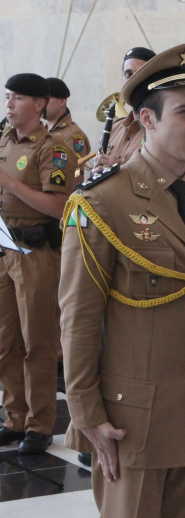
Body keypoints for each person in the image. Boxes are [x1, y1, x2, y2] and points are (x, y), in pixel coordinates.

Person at [59, 42, 185, 518]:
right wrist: (86, 412)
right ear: (147, 119)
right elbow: (78, 316)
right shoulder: (102, 201)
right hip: (132, 417)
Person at [0, 73, 76, 455]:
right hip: (4, 249)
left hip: (35, 253)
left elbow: (59, 206)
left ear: (40, 104)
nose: (9, 104)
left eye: (18, 98)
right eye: (8, 96)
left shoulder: (54, 148)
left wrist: (10, 184)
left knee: (38, 343)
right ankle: (13, 417)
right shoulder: (3, 140)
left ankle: (40, 424)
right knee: (5, 342)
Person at [95, 46, 156, 168]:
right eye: (128, 74)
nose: (133, 81)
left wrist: (121, 169)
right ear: (122, 79)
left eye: (140, 74)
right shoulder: (114, 128)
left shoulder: (163, 128)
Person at [45, 76, 90, 182]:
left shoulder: (72, 135)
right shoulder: (42, 130)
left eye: (46, 98)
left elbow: (76, 177)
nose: (41, 103)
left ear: (62, 101)